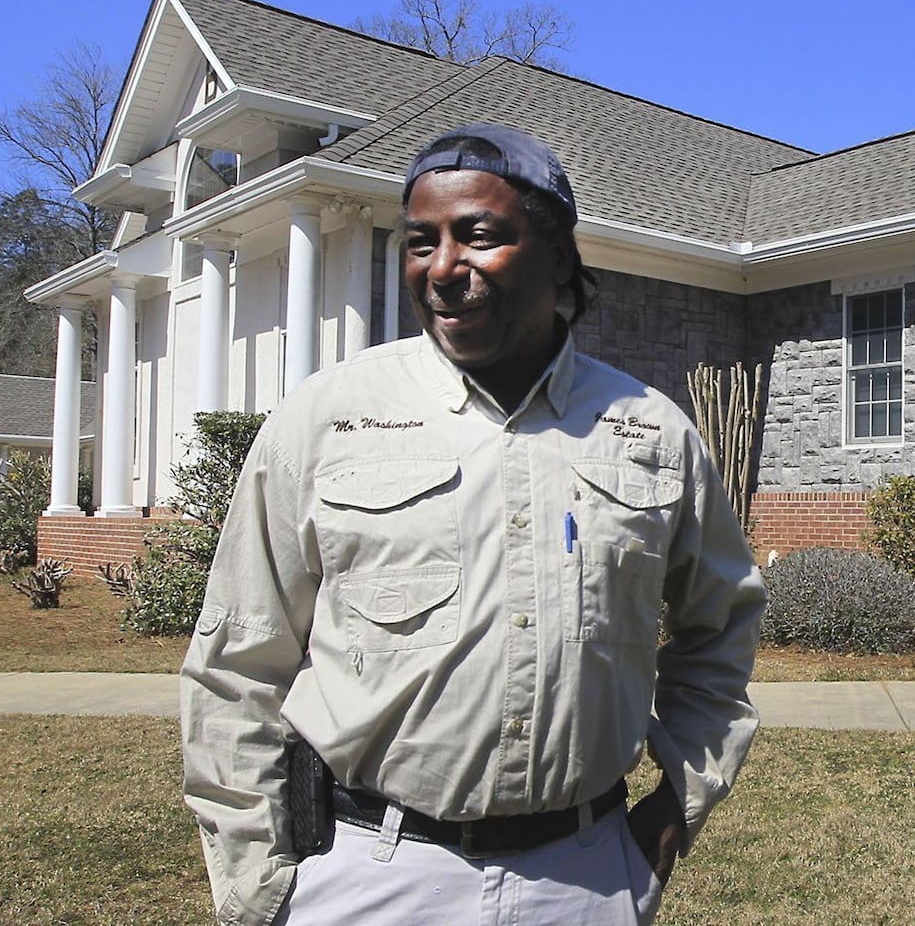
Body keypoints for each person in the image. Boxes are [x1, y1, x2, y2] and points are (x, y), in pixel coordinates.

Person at [181, 122, 765, 926]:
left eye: (480, 236)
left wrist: (675, 809)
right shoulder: (326, 421)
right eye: (421, 243)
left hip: (585, 877)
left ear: (557, 255)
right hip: (367, 874)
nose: (444, 269)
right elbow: (236, 660)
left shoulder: (651, 432)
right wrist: (259, 885)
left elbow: (720, 629)